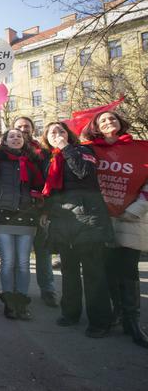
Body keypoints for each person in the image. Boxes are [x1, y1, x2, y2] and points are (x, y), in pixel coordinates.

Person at [81, 111, 148, 347]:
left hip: (131, 218)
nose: (109, 122)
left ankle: (133, 323)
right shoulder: (89, 150)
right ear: (96, 127)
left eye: (113, 119)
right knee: (108, 270)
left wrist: (136, 209)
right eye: (103, 120)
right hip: (101, 219)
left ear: (120, 123)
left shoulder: (141, 149)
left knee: (128, 272)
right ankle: (115, 314)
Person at [40, 121, 113, 338]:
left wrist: (66, 148)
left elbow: (83, 173)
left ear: (68, 135)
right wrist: (46, 213)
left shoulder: (82, 150)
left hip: (88, 219)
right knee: (69, 272)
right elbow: (51, 191)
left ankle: (100, 321)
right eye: (52, 132)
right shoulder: (51, 159)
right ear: (46, 138)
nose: (57, 134)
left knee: (93, 273)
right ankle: (70, 313)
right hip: (63, 221)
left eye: (61, 131)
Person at [0, 128, 44, 320]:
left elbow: (40, 185)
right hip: (2, 214)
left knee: (23, 263)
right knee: (8, 261)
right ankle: (9, 302)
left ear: (24, 140)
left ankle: (21, 301)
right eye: (11, 136)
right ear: (4, 141)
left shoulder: (31, 161)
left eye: (19, 136)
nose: (15, 139)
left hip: (27, 214)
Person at [13, 116, 58, 308]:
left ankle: (48, 289)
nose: (23, 129)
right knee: (17, 254)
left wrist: (46, 209)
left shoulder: (43, 152)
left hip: (39, 209)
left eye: (26, 126)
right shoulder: (8, 150)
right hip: (16, 210)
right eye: (19, 127)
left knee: (43, 252)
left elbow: (50, 179)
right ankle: (17, 291)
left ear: (32, 129)